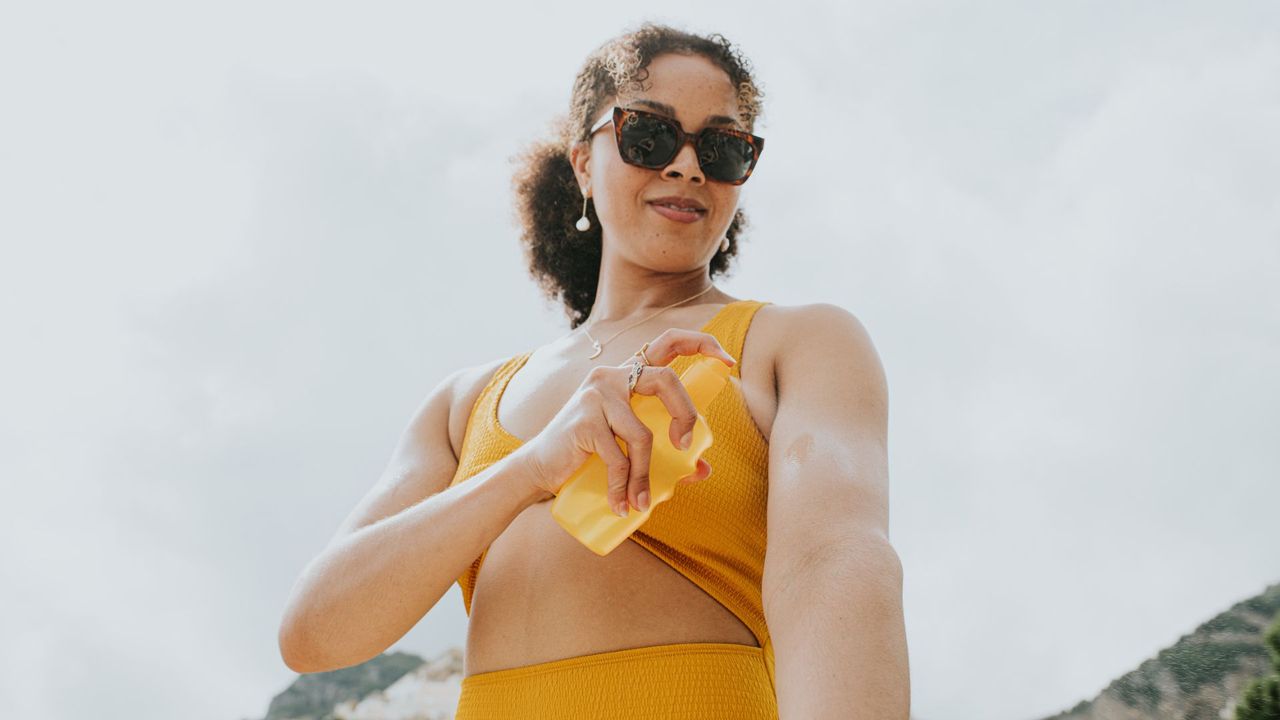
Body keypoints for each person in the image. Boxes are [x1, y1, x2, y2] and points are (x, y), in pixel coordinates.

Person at [278, 21, 909, 719]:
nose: (687, 167)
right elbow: (314, 633)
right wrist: (531, 468)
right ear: (582, 162)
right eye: (650, 135)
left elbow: (835, 567)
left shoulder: (796, 343)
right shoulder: (464, 405)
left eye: (724, 148)